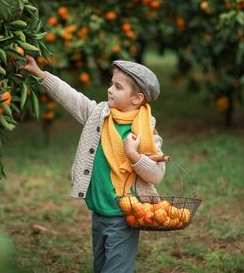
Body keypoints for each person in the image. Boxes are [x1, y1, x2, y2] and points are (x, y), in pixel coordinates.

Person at [22, 56, 168, 273]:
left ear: (137, 99)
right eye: (111, 83)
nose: (110, 90)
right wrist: (41, 74)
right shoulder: (99, 116)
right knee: (100, 267)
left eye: (118, 87)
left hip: (124, 215)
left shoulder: (146, 132)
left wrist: (133, 155)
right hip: (99, 212)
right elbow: (72, 98)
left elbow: (156, 175)